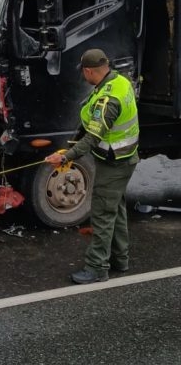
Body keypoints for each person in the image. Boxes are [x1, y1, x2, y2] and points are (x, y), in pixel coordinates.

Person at [45, 48, 139, 284]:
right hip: (124, 158)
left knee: (103, 214)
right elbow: (88, 129)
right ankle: (120, 259)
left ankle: (97, 268)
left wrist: (66, 157)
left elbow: (93, 137)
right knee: (115, 209)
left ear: (88, 71)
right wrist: (68, 148)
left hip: (114, 162)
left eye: (83, 72)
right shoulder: (119, 81)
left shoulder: (108, 101)